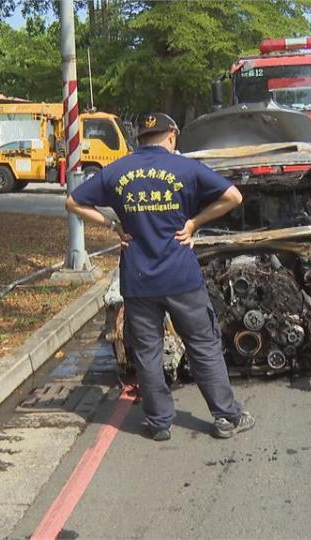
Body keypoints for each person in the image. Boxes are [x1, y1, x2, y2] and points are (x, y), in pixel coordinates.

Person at [65, 112, 255, 441]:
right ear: (171, 135)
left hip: (139, 280)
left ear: (140, 138)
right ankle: (226, 416)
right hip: (181, 277)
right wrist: (194, 223)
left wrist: (113, 225)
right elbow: (234, 197)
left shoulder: (117, 171)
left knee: (148, 352)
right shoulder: (187, 169)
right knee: (203, 346)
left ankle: (159, 423)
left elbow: (73, 202)